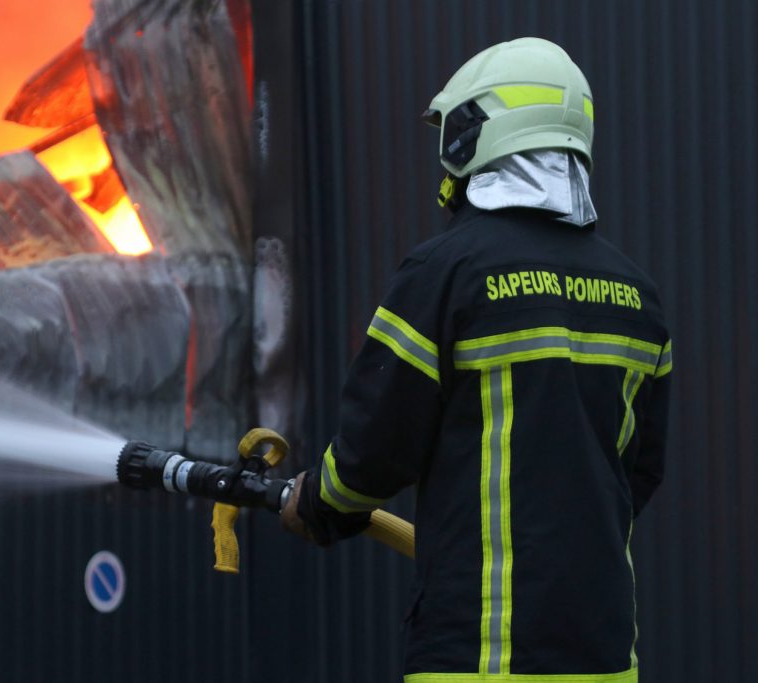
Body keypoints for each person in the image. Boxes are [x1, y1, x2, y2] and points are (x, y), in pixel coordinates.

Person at [280, 37, 672, 683]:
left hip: (482, 658)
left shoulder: (445, 273)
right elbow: (637, 474)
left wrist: (319, 503)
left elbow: (376, 445)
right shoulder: (638, 296)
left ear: (476, 135)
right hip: (606, 660)